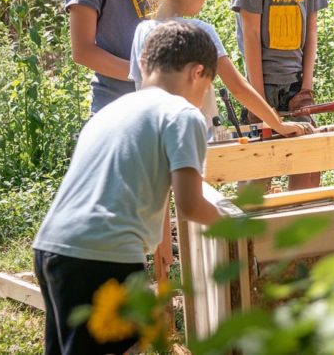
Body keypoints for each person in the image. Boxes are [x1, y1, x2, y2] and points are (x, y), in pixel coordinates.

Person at [33, 21, 223, 355]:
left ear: (142, 65)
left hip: (52, 247)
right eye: (207, 85)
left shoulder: (110, 112)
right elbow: (190, 204)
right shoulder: (182, 115)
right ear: (197, 73)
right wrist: (238, 226)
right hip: (105, 255)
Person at [129, 0, 310, 141]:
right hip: (195, 143)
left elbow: (140, 92)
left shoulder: (142, 32)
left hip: (153, 142)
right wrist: (278, 124)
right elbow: (239, 88)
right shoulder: (200, 32)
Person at [231, 0, 328, 190]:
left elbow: (310, 33)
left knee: (309, 169)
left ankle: (299, 236)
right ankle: (246, 239)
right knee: (258, 178)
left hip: (295, 87)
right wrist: (259, 104)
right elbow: (249, 35)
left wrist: (307, 87)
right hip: (263, 87)